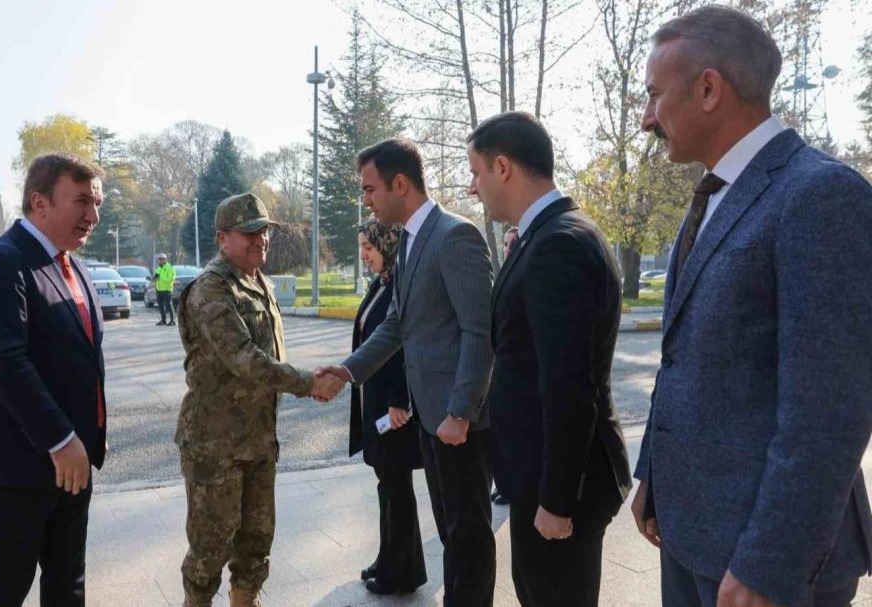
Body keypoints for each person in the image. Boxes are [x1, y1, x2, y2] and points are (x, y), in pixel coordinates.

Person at [632, 6, 872, 607]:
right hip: (695, 538)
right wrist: (654, 478)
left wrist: (770, 564)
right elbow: (683, 358)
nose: (645, 117)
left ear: (708, 88)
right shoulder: (717, 192)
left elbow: (829, 412)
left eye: (656, 95)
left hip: (765, 566)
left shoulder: (820, 195)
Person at [319, 137, 496, 607]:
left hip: (458, 423)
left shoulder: (455, 235)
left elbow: (479, 333)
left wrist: (460, 411)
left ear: (401, 184)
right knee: (452, 534)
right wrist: (348, 371)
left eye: (370, 189)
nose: (366, 199)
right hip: (430, 419)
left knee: (469, 538)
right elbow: (397, 323)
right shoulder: (413, 240)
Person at [468, 111, 632, 607]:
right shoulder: (546, 235)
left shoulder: (559, 244)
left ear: (503, 167)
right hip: (538, 476)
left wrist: (556, 500)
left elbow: (569, 387)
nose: (474, 188)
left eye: (475, 173)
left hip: (559, 488)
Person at [0, 153, 108, 607]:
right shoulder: (0, 264)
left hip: (71, 467)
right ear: (39, 203)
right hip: (15, 468)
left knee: (67, 586)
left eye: (96, 203)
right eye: (81, 201)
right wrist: (60, 438)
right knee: (4, 593)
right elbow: (4, 364)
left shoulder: (72, 266)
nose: (92, 216)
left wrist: (80, 442)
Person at [175, 193, 344, 607]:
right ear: (222, 238)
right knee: (209, 549)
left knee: (255, 540)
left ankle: (245, 600)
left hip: (257, 437)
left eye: (263, 232)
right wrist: (309, 383)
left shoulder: (258, 282)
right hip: (215, 444)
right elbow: (245, 360)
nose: (260, 241)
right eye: (249, 234)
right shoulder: (211, 289)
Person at [350, 217, 427, 596]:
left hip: (392, 407)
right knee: (388, 484)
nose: (364, 254)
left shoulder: (400, 283)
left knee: (396, 486)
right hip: (377, 401)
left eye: (369, 247)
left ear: (388, 244)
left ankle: (402, 572)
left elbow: (403, 341)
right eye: (362, 247)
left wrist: (401, 399)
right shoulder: (382, 282)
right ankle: (389, 559)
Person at [153, 252, 177, 326]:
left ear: (165, 259)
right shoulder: (159, 268)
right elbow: (156, 277)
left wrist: (161, 277)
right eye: (159, 259)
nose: (160, 261)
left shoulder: (170, 267)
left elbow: (170, 279)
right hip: (159, 289)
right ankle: (163, 320)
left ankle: (172, 320)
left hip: (167, 289)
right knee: (161, 306)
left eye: (161, 259)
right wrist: (154, 279)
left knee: (169, 305)